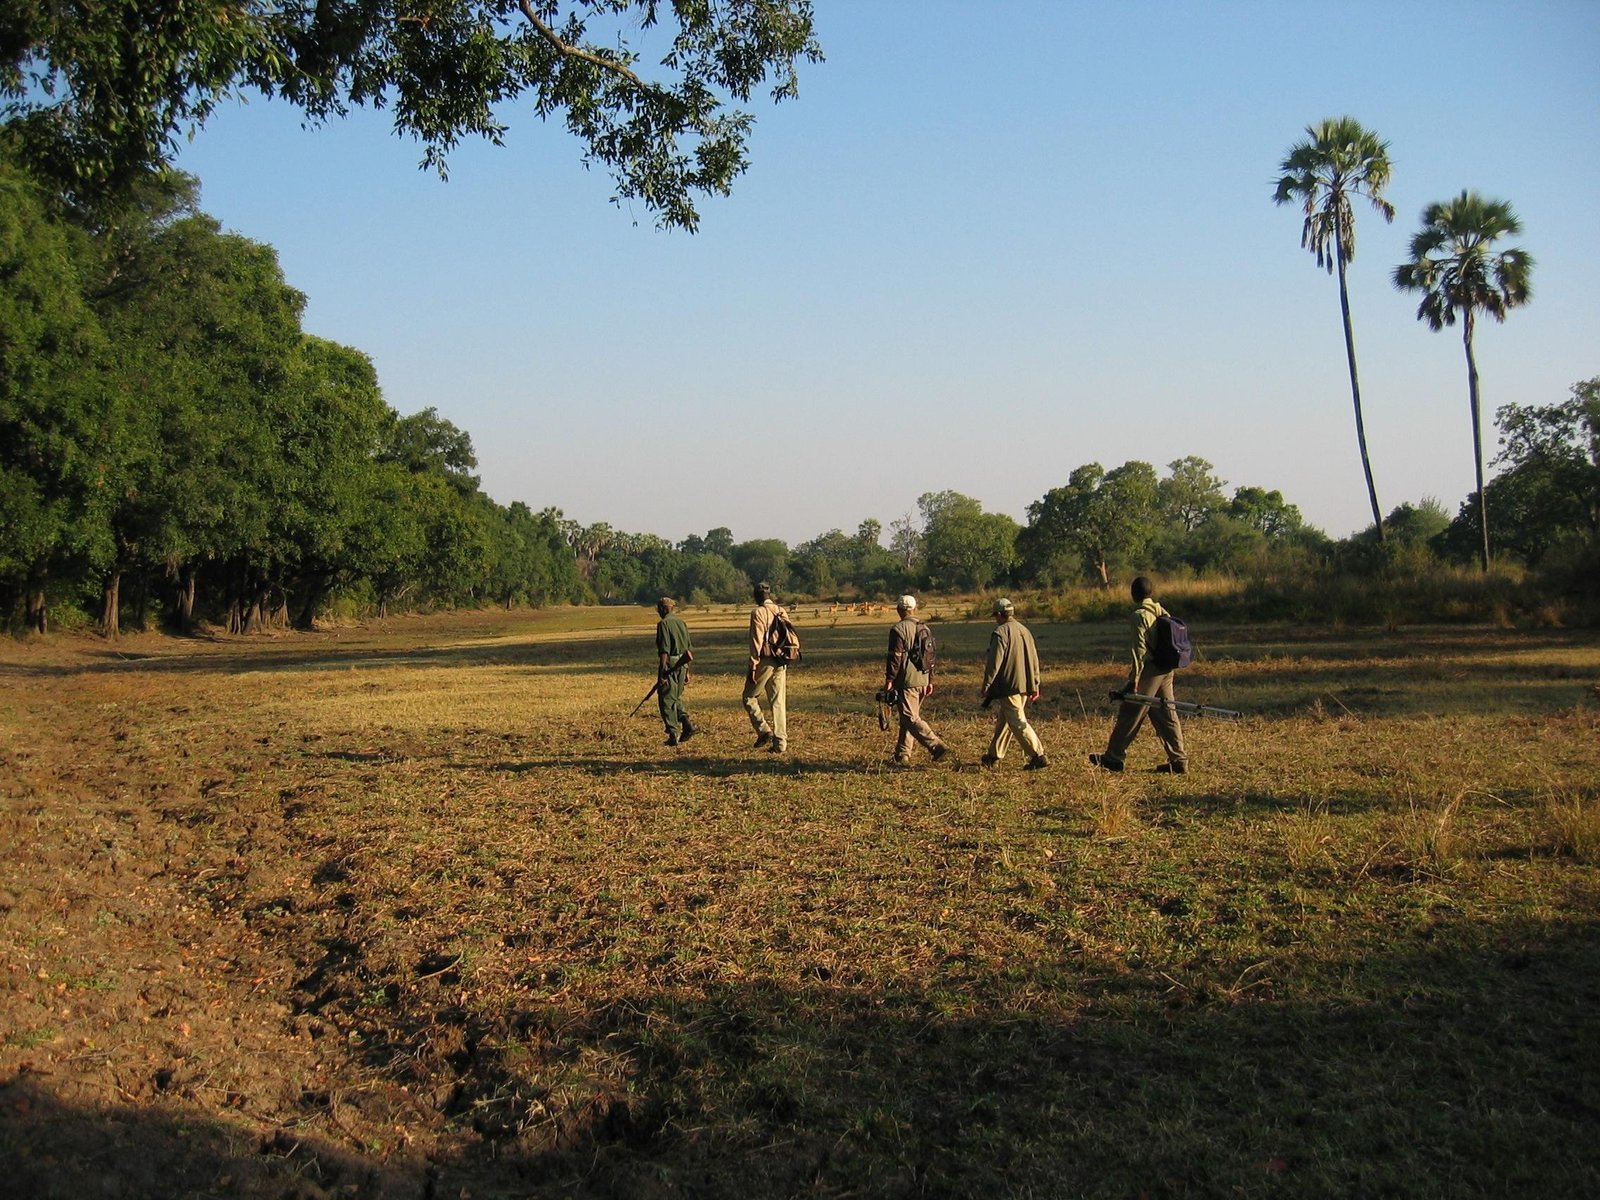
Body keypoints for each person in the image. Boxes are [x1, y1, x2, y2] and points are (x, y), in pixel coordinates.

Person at [1091, 575, 1187, 774]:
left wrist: (1133, 680)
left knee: (1131, 711)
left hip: (1151, 669)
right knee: (1166, 714)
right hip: (1166, 669)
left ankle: (1113, 757)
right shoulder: (1161, 610)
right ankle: (1178, 759)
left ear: (1133, 594)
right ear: (1150, 593)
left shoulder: (1139, 615)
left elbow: (1139, 651)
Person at [980, 597, 1048, 769]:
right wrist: (1035, 684)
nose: (996, 619)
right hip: (1025, 685)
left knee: (1016, 720)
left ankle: (1037, 755)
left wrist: (987, 685)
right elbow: (1034, 660)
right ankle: (993, 755)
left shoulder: (1000, 632)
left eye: (996, 615)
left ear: (1000, 614)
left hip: (1009, 685)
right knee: (1005, 720)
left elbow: (994, 662)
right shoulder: (1025, 630)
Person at [883, 595, 949, 767]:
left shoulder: (898, 629)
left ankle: (937, 746)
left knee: (910, 718)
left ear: (899, 610)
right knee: (910, 718)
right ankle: (902, 754)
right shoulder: (925, 627)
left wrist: (889, 678)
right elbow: (931, 657)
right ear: (914, 609)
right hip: (924, 679)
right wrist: (930, 680)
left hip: (907, 681)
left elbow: (895, 657)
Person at [743, 581, 789, 753]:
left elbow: (757, 641)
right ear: (770, 595)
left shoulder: (758, 612)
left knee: (749, 697)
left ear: (756, 596)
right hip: (782, 660)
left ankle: (763, 730)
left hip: (766, 660)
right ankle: (780, 743)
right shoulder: (781, 611)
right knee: (778, 701)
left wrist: (753, 666)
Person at [654, 597, 696, 746]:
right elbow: (688, 649)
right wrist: (688, 671)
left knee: (665, 698)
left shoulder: (663, 624)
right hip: (683, 665)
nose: (658, 612)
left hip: (671, 664)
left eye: (659, 609)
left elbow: (664, 650)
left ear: (664, 609)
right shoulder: (681, 623)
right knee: (675, 697)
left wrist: (662, 673)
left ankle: (673, 733)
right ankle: (686, 723)